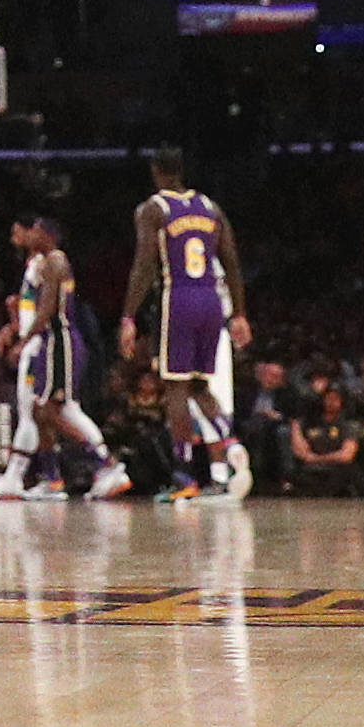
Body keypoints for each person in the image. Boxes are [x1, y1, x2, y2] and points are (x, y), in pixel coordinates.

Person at [125, 148, 250, 500]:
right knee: (199, 385)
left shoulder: (153, 209)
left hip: (176, 297)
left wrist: (128, 315)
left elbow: (144, 265)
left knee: (175, 388)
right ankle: (232, 442)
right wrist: (239, 313)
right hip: (211, 298)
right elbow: (233, 263)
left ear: (155, 171)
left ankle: (184, 478)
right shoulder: (211, 207)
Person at [0, 210, 119, 500]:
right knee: (41, 412)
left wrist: (23, 341)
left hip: (57, 341)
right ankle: (52, 480)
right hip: (51, 341)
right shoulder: (44, 262)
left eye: (37, 229)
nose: (32, 233)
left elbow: (48, 308)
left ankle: (105, 464)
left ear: (48, 235)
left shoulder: (54, 261)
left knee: (50, 410)